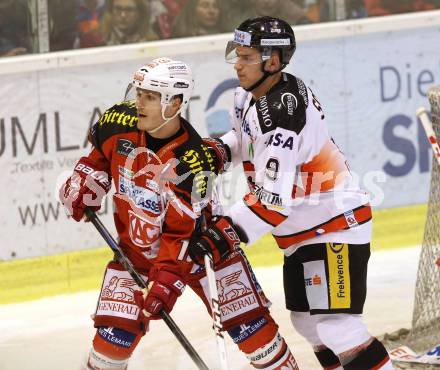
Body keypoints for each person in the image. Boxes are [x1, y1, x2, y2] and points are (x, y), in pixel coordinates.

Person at [59, 57, 299, 370]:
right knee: (111, 344)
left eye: (150, 97)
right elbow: (98, 159)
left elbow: (179, 235)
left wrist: (165, 285)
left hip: (202, 252)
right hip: (139, 252)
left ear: (174, 104)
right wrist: (85, 185)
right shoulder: (118, 121)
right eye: (139, 93)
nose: (139, 104)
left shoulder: (191, 163)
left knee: (253, 332)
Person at [188, 16, 395, 370]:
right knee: (309, 323)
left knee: (339, 328)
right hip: (305, 230)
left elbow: (271, 201)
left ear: (272, 61)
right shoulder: (247, 95)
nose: (237, 64)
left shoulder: (283, 117)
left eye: (247, 57)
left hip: (334, 224)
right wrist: (218, 151)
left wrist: (225, 231)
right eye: (237, 54)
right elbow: (245, 140)